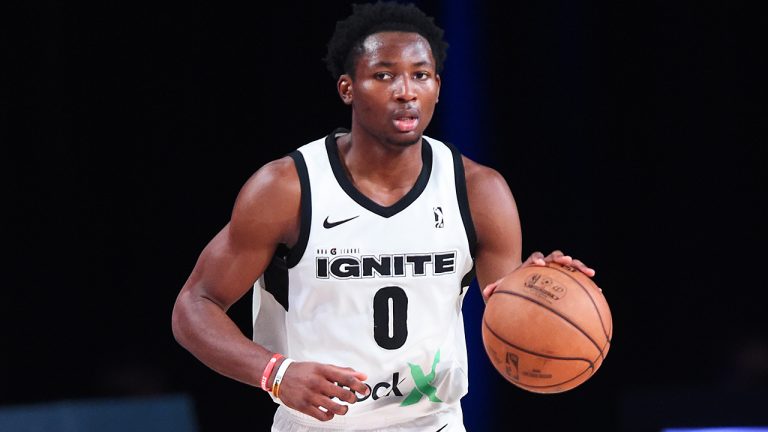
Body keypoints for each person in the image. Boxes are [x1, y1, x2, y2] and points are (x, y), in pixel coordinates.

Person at [171, 1, 596, 431]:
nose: (405, 91)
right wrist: (276, 373)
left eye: (420, 75)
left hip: (435, 423)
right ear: (347, 88)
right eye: (383, 75)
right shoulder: (288, 188)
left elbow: (506, 312)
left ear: (437, 87)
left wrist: (543, 290)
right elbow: (194, 305)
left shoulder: (479, 190)